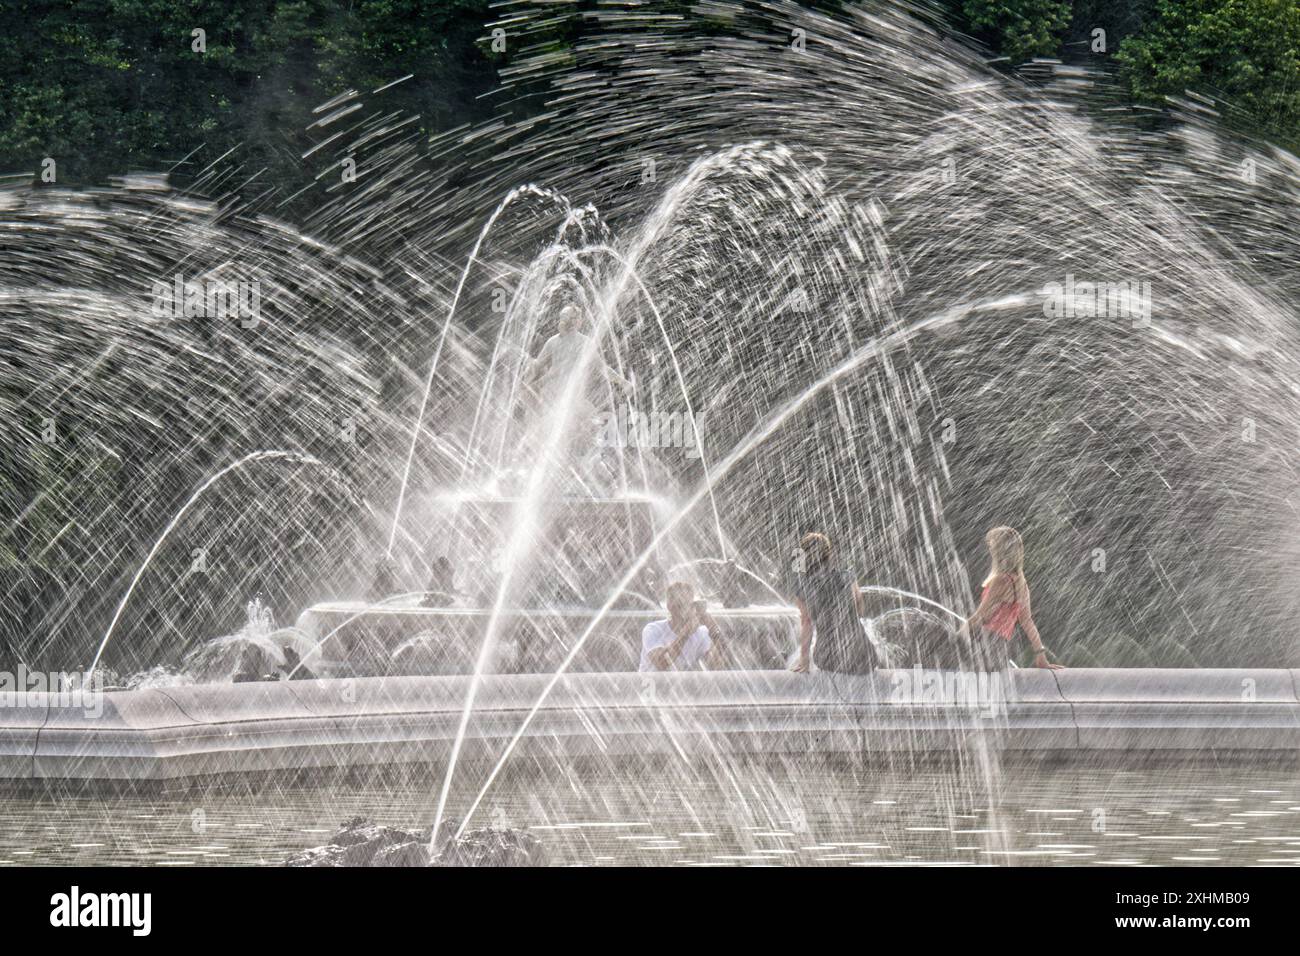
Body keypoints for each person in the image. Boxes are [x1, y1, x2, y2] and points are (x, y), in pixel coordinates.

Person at [966, 526, 1062, 670]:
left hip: (983, 642)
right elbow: (1027, 622)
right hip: (1001, 646)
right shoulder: (1021, 584)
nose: (990, 551)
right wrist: (1041, 655)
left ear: (1000, 551)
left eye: (992, 546)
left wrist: (957, 635)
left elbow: (980, 616)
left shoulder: (1000, 580)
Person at [788, 532, 877, 674]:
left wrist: (804, 661)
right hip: (865, 656)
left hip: (829, 658)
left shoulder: (802, 584)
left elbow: (807, 622)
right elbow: (859, 606)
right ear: (828, 554)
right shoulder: (847, 576)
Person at [640, 581, 714, 672]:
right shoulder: (652, 629)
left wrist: (713, 629)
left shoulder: (701, 632)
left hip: (682, 685)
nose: (686, 608)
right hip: (652, 685)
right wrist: (685, 633)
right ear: (669, 606)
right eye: (680, 604)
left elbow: (716, 665)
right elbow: (662, 663)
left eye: (689, 604)